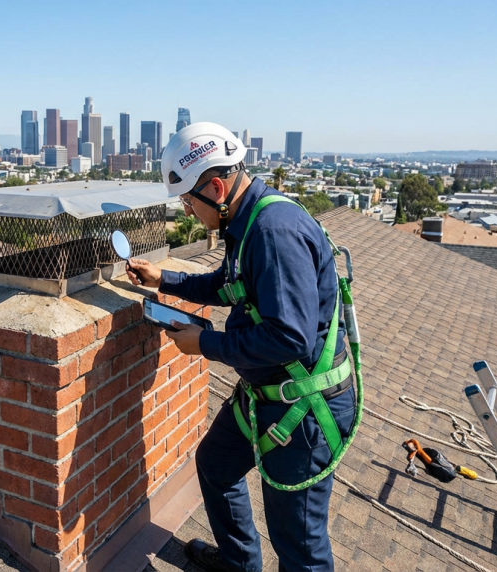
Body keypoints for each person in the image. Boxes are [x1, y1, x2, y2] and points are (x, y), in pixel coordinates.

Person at [126, 123, 355, 572]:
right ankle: (239, 565)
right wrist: (166, 279)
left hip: (302, 410)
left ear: (216, 186)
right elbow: (228, 285)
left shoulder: (272, 232)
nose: (189, 211)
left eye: (189, 201)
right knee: (215, 465)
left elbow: (290, 336)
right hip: (267, 394)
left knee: (299, 545)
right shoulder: (245, 220)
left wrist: (205, 343)